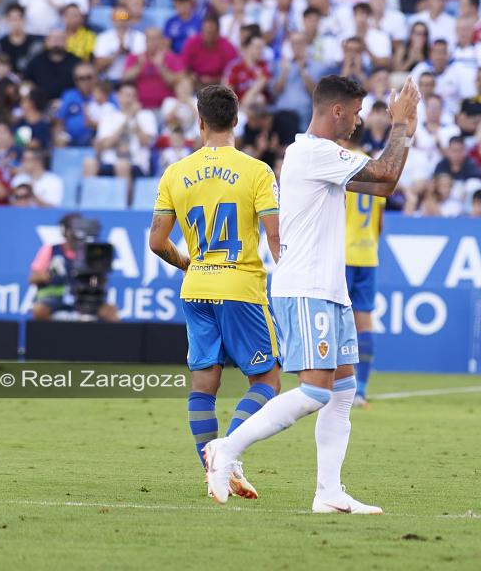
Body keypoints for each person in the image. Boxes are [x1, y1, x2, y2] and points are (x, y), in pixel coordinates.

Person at [203, 75, 419, 512]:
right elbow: (385, 171)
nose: (359, 121)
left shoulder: (322, 156)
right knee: (317, 391)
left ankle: (328, 493)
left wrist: (405, 133)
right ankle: (226, 449)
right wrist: (400, 128)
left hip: (330, 288)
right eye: (356, 112)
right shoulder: (312, 152)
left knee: (342, 391)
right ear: (336, 110)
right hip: (305, 287)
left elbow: (384, 185)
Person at [148, 84, 282, 475]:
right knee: (267, 380)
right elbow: (274, 238)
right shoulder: (257, 171)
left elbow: (157, 242)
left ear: (200, 121)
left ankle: (211, 466)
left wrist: (188, 263)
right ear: (236, 120)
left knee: (204, 385)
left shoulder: (176, 173)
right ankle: (227, 452)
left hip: (197, 288)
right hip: (241, 288)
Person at [344, 134, 386, 406]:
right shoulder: (376, 170)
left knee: (336, 322)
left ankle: (336, 386)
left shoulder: (341, 164)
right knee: (365, 324)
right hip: (368, 254)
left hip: (342, 253)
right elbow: (380, 222)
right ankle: (361, 390)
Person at [30, 213, 119, 322]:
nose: (78, 234)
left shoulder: (92, 252)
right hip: (56, 299)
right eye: (74, 229)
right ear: (65, 231)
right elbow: (33, 278)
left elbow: (99, 281)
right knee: (39, 311)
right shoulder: (51, 250)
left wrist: (96, 279)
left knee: (111, 313)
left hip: (84, 299)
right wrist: (51, 272)